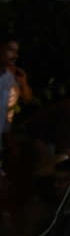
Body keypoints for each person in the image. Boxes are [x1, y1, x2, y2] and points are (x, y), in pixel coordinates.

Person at [0, 37, 20, 165]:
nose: (15, 55)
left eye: (16, 52)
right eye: (10, 50)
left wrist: (10, 144)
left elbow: (7, 117)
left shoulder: (10, 81)